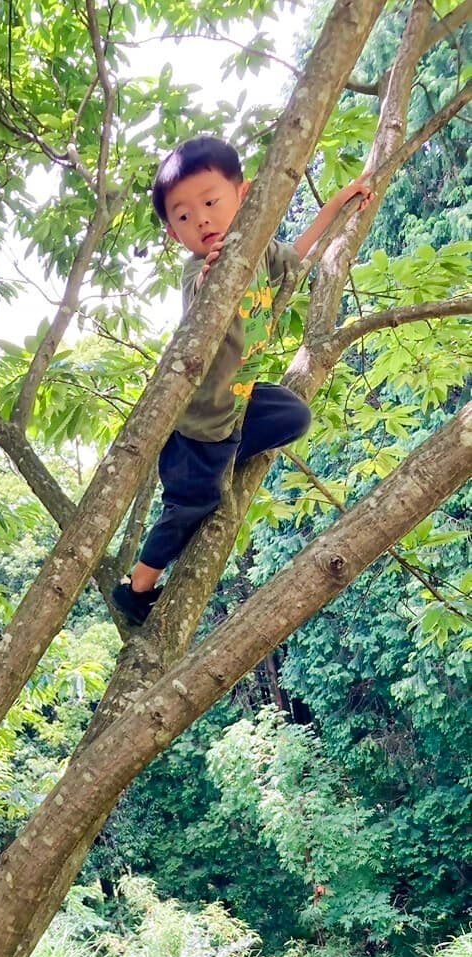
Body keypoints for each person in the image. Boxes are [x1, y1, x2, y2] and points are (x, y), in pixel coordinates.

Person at [111, 135, 375, 626]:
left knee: (293, 415)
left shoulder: (263, 254)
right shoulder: (198, 271)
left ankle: (226, 459)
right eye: (184, 216)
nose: (201, 220)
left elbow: (300, 253)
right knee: (192, 505)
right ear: (174, 234)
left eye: (211, 203)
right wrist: (213, 277)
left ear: (245, 196)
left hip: (239, 401)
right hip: (200, 426)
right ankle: (138, 587)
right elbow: (200, 303)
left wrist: (339, 203)